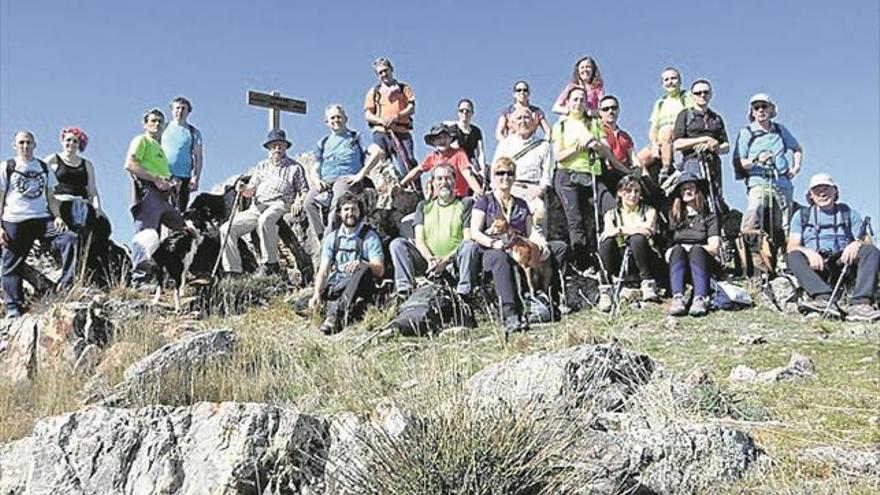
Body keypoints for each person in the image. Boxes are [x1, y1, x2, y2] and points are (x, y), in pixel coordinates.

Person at [470, 157, 568, 333]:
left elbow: (531, 231)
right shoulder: (484, 201)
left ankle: (553, 298)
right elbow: (475, 232)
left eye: (509, 173)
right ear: (493, 176)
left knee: (559, 248)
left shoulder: (521, 203)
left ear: (514, 177)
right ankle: (510, 313)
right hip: (492, 250)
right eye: (500, 173)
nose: (505, 177)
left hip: (520, 247)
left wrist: (541, 243)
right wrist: (493, 243)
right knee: (501, 259)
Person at [1, 131, 77, 318]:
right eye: (21, 143)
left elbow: (51, 197)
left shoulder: (43, 167)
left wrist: (58, 217)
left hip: (41, 219)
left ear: (35, 145)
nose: (25, 146)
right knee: (11, 263)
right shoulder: (7, 166)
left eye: (28, 143)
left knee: (68, 238)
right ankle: (13, 305)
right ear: (15, 145)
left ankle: (65, 286)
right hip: (14, 220)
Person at [787, 173, 879, 321]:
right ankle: (823, 298)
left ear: (835, 191)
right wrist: (808, 252)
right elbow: (792, 246)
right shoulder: (801, 215)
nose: (822, 193)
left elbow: (868, 242)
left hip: (843, 263)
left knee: (870, 251)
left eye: (826, 189)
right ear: (811, 195)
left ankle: (860, 304)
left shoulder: (849, 214)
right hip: (816, 265)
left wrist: (857, 243)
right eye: (817, 190)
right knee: (794, 256)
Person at [220, 129, 308, 277]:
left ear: (286, 147)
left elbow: (304, 190)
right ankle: (233, 271)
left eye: (280, 145)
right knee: (226, 229)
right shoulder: (261, 167)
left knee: (265, 220)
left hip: (280, 203)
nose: (277, 149)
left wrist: (298, 201)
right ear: (269, 148)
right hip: (257, 206)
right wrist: (242, 189)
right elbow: (250, 191)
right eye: (274, 146)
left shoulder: (295, 167)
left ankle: (270, 264)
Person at [389, 164, 478, 299]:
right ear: (433, 182)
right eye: (439, 179)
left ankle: (464, 293)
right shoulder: (423, 206)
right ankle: (404, 292)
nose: (444, 182)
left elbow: (467, 237)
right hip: (428, 261)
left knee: (470, 246)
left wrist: (446, 260)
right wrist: (430, 259)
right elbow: (419, 240)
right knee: (397, 244)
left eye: (448, 178)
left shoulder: (466, 203)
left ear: (455, 181)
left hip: (453, 261)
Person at [552, 87, 615, 271]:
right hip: (567, 175)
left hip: (591, 174)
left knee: (610, 209)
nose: (578, 103)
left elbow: (605, 149)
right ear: (568, 103)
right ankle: (582, 264)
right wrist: (578, 148)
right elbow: (559, 156)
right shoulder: (561, 125)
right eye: (575, 100)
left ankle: (609, 258)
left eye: (582, 99)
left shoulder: (594, 123)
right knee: (576, 220)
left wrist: (593, 144)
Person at [125, 109, 186, 288]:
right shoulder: (141, 140)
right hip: (147, 192)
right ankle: (141, 280)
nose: (156, 124)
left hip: (163, 196)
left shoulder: (158, 148)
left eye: (160, 121)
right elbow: (130, 164)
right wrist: (155, 179)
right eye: (152, 121)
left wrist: (171, 181)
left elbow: (161, 173)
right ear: (145, 124)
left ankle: (172, 272)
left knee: (181, 229)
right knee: (146, 234)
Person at [309, 192, 385, 334]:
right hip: (338, 283)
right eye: (346, 209)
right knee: (300, 303)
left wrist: (363, 264)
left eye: (354, 209)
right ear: (339, 213)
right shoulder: (332, 238)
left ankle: (334, 316)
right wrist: (316, 294)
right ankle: (325, 306)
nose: (350, 213)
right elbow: (323, 270)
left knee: (362, 268)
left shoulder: (370, 237)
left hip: (361, 283)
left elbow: (380, 269)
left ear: (359, 212)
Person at [45, 127, 113, 279]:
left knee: (103, 227)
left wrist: (98, 208)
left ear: (80, 144)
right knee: (70, 233)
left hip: (82, 204)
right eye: (68, 140)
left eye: (75, 141)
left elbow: (92, 189)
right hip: (61, 203)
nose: (71, 143)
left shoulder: (86, 164)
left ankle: (96, 271)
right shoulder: (53, 160)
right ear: (62, 141)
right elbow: (42, 182)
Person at [735, 93, 803, 234]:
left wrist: (795, 168)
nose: (761, 110)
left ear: (771, 110)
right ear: (752, 112)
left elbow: (797, 149)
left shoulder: (780, 130)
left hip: (781, 181)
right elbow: (742, 163)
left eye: (764, 106)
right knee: (754, 212)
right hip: (758, 181)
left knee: (784, 221)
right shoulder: (747, 132)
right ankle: (751, 248)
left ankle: (784, 252)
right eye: (756, 107)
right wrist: (757, 160)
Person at [597, 175, 661, 311]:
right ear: (620, 193)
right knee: (606, 242)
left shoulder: (649, 210)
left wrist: (620, 230)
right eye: (628, 191)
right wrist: (633, 229)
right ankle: (606, 289)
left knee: (637, 238)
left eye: (637, 191)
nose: (633, 195)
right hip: (620, 257)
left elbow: (648, 230)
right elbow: (608, 232)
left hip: (644, 255)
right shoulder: (610, 215)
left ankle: (647, 284)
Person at [304, 104, 369, 240]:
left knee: (338, 201)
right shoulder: (323, 142)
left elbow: (376, 152)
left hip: (346, 177)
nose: (336, 120)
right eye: (332, 118)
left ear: (345, 118)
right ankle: (322, 237)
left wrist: (360, 175)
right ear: (327, 122)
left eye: (339, 117)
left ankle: (331, 240)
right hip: (326, 179)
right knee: (308, 202)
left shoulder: (356, 137)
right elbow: (316, 166)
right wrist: (316, 180)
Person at [665, 172, 721, 317]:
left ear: (698, 190)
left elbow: (714, 247)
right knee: (677, 250)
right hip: (679, 263)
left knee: (696, 250)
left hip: (703, 261)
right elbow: (668, 244)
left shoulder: (710, 217)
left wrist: (691, 249)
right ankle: (677, 298)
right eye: (683, 189)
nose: (687, 191)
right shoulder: (675, 216)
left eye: (691, 187)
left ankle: (699, 298)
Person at [672, 79, 730, 214]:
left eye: (705, 92)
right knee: (694, 197)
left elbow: (726, 146)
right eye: (698, 93)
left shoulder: (716, 118)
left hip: (713, 163)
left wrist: (715, 146)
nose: (702, 95)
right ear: (692, 96)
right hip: (692, 161)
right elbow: (677, 144)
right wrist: (704, 140)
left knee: (715, 197)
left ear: (711, 94)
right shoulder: (685, 115)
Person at [492, 107, 553, 229]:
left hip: (534, 190)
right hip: (510, 189)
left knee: (538, 222)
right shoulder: (505, 144)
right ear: (513, 123)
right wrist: (497, 191)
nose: (523, 121)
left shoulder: (543, 145)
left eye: (526, 118)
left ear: (533, 122)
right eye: (519, 118)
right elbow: (495, 169)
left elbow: (547, 173)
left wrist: (539, 192)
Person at [363, 57, 416, 179]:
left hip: (402, 132)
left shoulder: (404, 88)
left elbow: (411, 107)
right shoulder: (374, 92)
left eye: (385, 70)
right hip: (381, 132)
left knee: (408, 162)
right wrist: (381, 120)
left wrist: (397, 117)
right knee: (380, 164)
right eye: (380, 72)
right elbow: (368, 115)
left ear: (391, 70)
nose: (384, 74)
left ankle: (414, 191)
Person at [636, 67, 694, 179]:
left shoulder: (687, 97)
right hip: (660, 141)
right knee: (637, 160)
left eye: (673, 78)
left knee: (666, 130)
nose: (670, 82)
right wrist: (653, 144)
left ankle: (666, 170)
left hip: (677, 138)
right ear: (662, 84)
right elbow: (653, 127)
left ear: (680, 81)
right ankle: (649, 187)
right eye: (666, 80)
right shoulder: (660, 103)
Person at [400, 123, 482, 199]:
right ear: (433, 142)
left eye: (445, 137)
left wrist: (479, 192)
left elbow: (468, 174)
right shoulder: (433, 157)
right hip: (438, 199)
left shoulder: (459, 153)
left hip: (457, 197)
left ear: (450, 139)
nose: (442, 141)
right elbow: (418, 170)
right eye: (438, 138)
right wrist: (401, 184)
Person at [161, 96, 203, 212]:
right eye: (177, 108)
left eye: (183, 108)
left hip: (184, 177)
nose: (180, 111)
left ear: (188, 111)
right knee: (158, 210)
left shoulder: (193, 132)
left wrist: (196, 177)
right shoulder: (162, 128)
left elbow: (198, 156)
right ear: (172, 110)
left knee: (180, 212)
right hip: (163, 175)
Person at [596, 95, 643, 195]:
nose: (610, 111)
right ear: (600, 112)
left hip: (627, 174)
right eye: (606, 109)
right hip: (610, 173)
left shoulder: (625, 135)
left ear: (618, 110)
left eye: (614, 108)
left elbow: (633, 157)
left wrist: (638, 170)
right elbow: (608, 158)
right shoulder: (598, 131)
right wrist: (627, 172)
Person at [450, 98, 487, 177]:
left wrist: (482, 171)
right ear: (458, 113)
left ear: (472, 113)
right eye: (461, 110)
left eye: (468, 111)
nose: (465, 113)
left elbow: (481, 153)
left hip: (473, 163)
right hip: (456, 163)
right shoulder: (453, 129)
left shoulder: (476, 131)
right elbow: (456, 149)